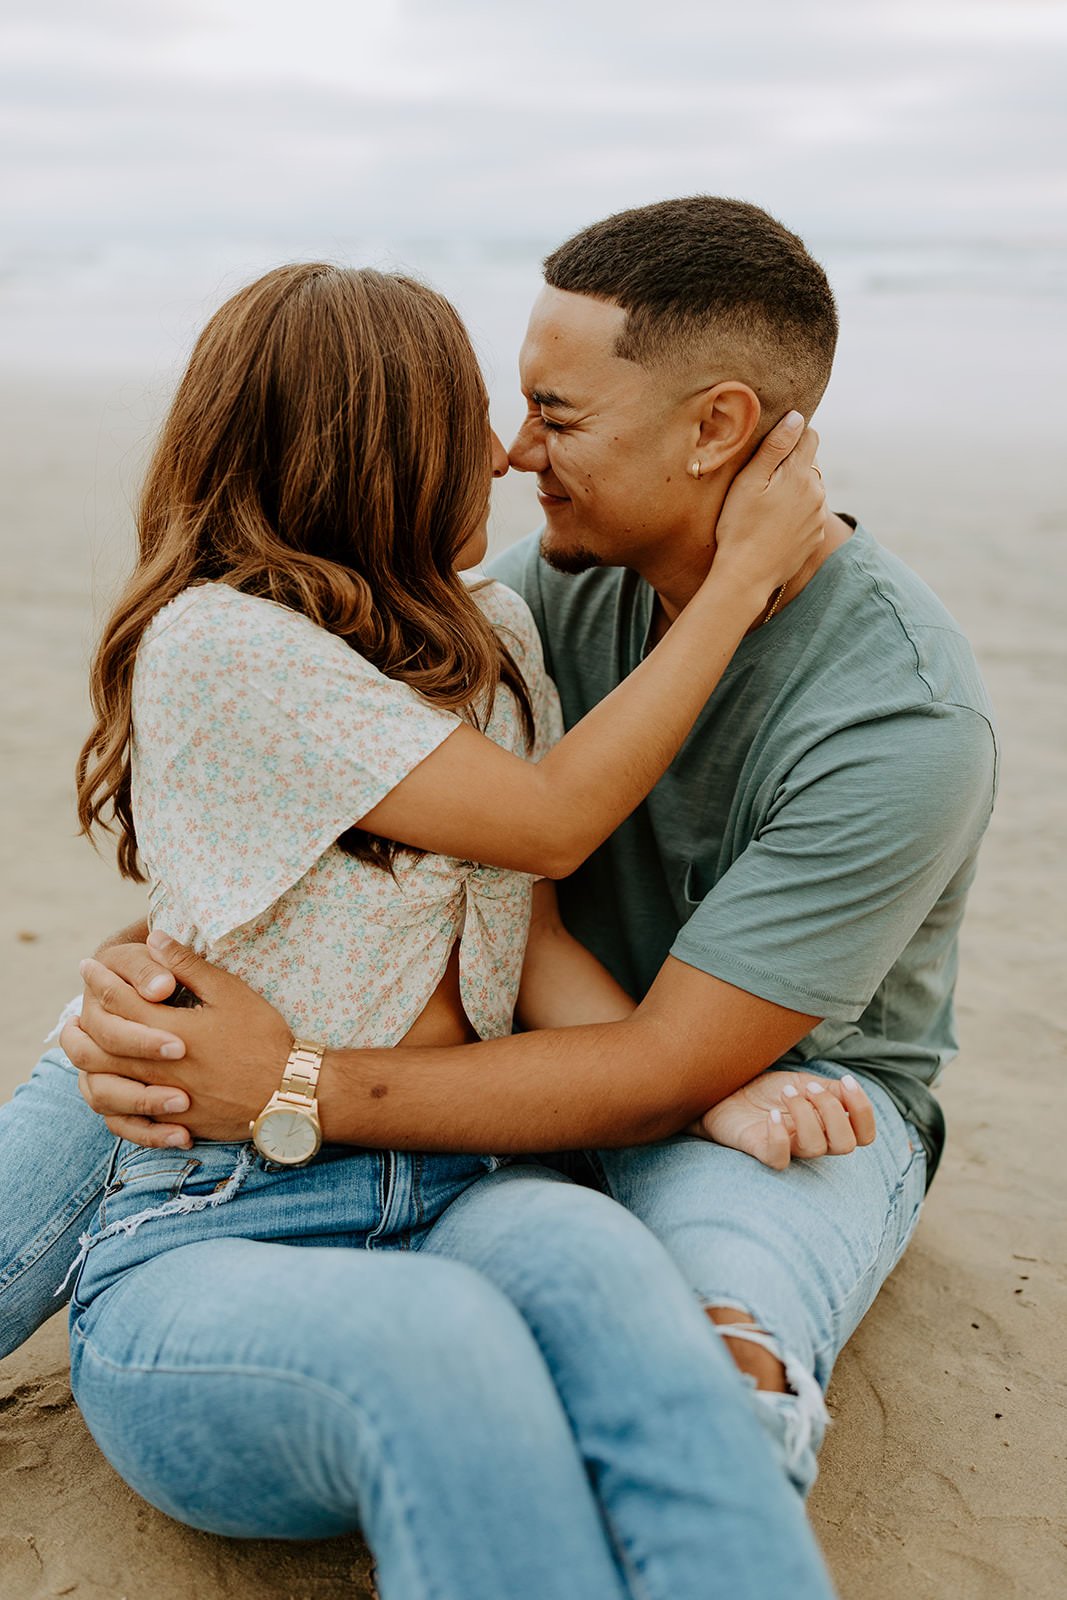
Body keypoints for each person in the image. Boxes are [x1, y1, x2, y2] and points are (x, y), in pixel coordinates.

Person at [60, 197, 997, 1497]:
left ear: (714, 427)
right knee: (120, 1038)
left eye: (557, 418)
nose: (513, 453)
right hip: (528, 1043)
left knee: (714, 1325)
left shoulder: (899, 715)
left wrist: (289, 1084)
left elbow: (667, 1069)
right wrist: (151, 962)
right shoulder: (542, 590)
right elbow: (352, 827)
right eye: (515, 410)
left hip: (772, 1092)